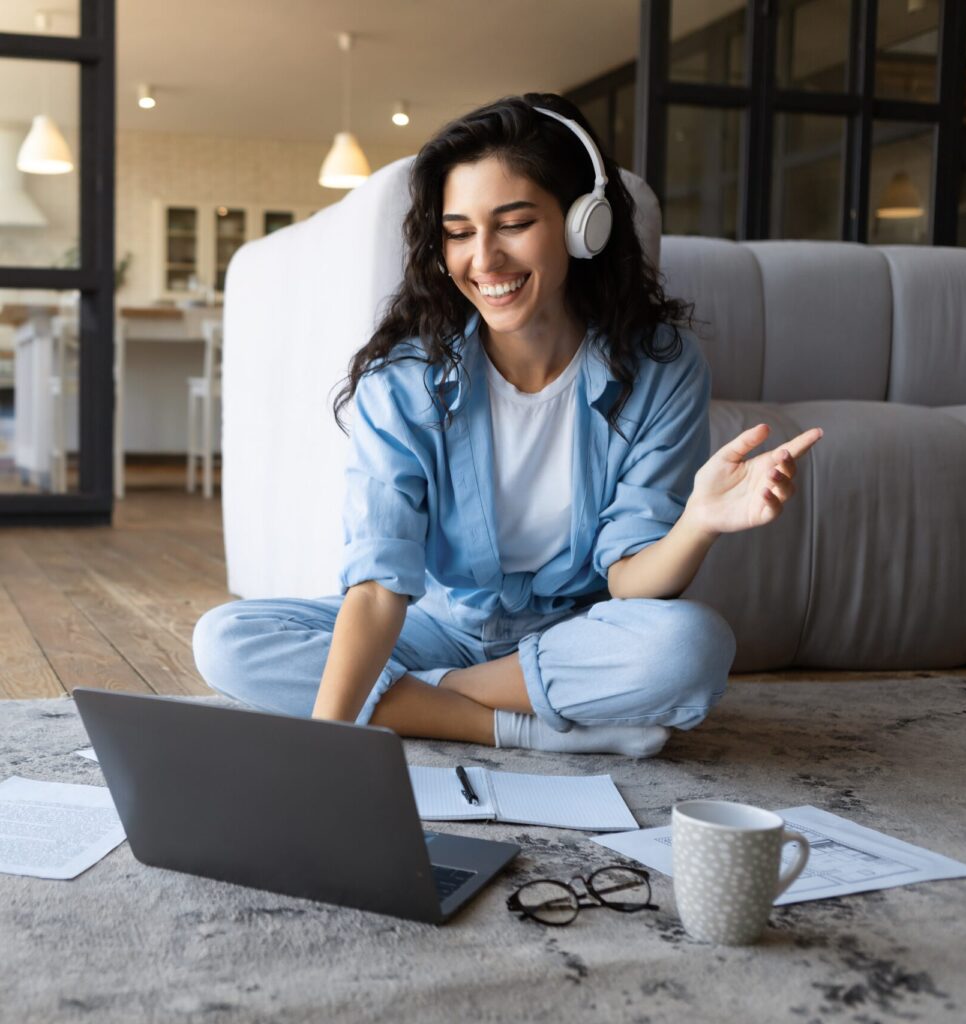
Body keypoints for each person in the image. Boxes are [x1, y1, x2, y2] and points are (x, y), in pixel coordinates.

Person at [193, 93, 822, 758]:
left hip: (572, 636)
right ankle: (509, 723)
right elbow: (379, 587)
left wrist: (697, 522)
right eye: (459, 232)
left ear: (587, 224)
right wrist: (324, 748)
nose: (484, 260)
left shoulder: (660, 368)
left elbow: (631, 580)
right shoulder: (406, 378)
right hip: (439, 624)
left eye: (513, 223)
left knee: (693, 647)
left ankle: (440, 695)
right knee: (226, 640)